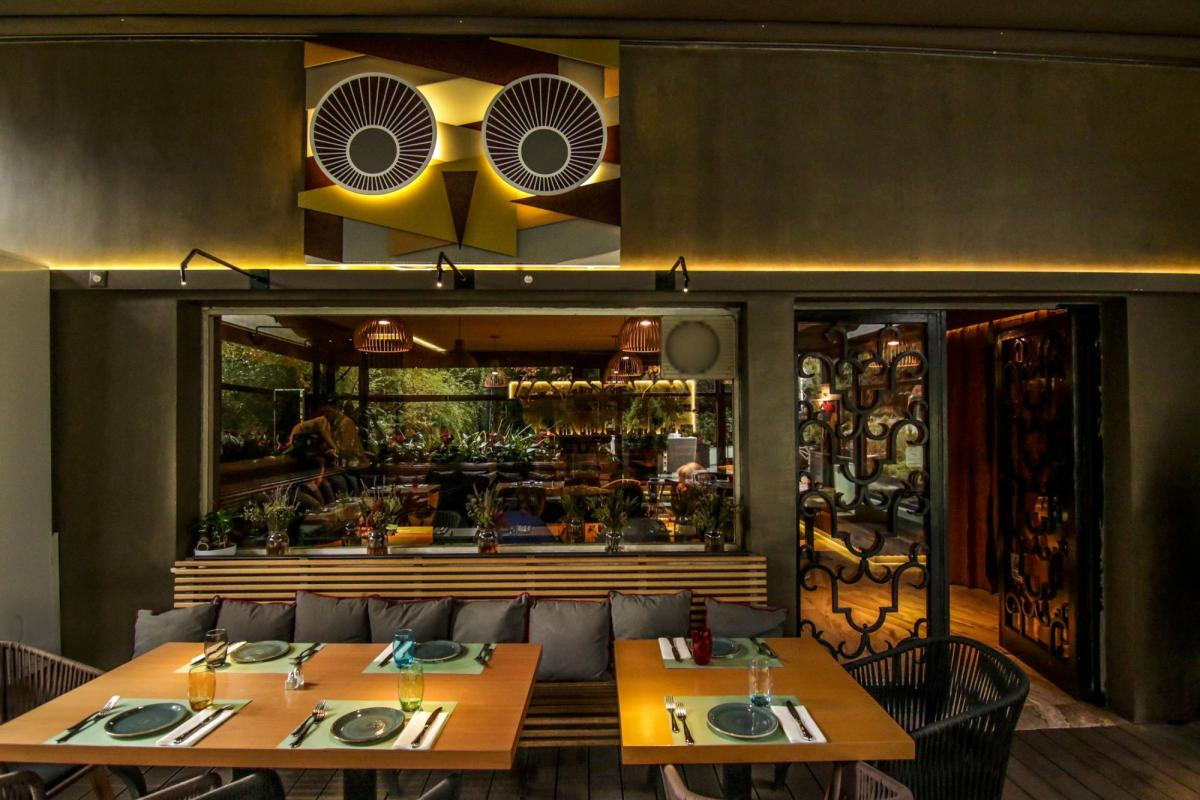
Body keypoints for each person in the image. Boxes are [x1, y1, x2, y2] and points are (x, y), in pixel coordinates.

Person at [333, 401, 369, 467]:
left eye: (351, 408)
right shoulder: (338, 421)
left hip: (354, 462)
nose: (350, 411)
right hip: (347, 460)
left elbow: (347, 448)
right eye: (348, 408)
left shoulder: (347, 422)